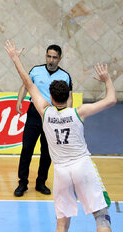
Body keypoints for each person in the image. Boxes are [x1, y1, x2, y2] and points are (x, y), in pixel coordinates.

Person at [5, 40, 116, 232]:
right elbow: (111, 100)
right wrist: (107, 80)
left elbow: (28, 83)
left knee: (62, 222)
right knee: (101, 215)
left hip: (62, 173)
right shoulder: (78, 113)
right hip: (82, 166)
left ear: (50, 95)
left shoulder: (45, 113)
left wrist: (15, 58)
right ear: (68, 95)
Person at [14, 44, 73, 197]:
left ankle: (41, 182)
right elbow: (25, 86)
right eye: (49, 56)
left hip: (53, 116)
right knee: (27, 149)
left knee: (47, 152)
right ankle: (22, 183)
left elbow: (69, 97)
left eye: (54, 57)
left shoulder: (65, 76)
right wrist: (19, 100)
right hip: (34, 114)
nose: (51, 60)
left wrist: (66, 114)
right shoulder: (36, 70)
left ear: (60, 58)